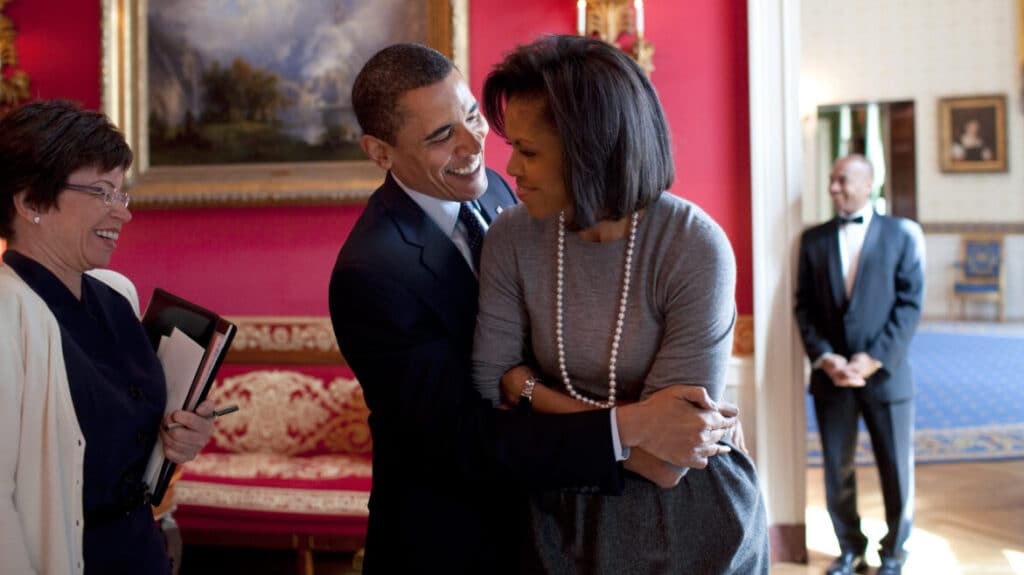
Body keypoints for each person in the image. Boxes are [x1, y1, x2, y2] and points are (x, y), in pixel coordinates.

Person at [328, 43, 741, 574]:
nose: (478, 145)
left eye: (472, 115)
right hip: (454, 541)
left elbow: (670, 443)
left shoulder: (499, 193)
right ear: (380, 152)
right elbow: (468, 436)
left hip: (600, 525)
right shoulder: (372, 272)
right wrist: (631, 426)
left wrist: (523, 386)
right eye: (440, 136)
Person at [471, 35, 769, 574]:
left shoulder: (695, 246)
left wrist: (531, 389)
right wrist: (636, 422)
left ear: (592, 150)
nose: (509, 168)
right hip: (553, 514)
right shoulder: (511, 236)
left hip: (690, 524)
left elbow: (668, 462)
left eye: (529, 151)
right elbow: (492, 385)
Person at [0, 100, 216, 575]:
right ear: (31, 200)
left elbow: (132, 435)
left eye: (122, 195)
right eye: (102, 192)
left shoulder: (117, 295)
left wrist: (179, 439)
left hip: (139, 548)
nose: (123, 214)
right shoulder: (7, 312)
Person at [794, 155, 924, 575]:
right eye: (831, 180)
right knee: (837, 469)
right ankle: (850, 548)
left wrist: (872, 360)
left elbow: (909, 305)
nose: (834, 187)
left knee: (895, 469)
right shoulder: (812, 240)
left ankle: (894, 554)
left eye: (843, 180)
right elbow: (804, 308)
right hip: (832, 379)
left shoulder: (902, 234)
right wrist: (827, 358)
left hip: (886, 376)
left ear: (869, 183)